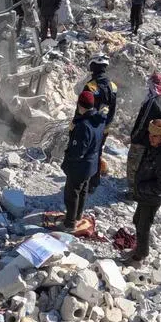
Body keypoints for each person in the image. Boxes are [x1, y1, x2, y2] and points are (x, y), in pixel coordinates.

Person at [128, 119, 161, 262]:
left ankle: (140, 255)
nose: (150, 138)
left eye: (154, 136)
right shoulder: (154, 145)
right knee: (137, 220)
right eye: (150, 134)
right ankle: (139, 248)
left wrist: (141, 188)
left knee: (143, 225)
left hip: (152, 196)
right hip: (145, 193)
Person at [61, 91, 106, 230]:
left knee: (72, 194)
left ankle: (69, 223)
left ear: (80, 105)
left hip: (79, 167)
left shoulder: (82, 126)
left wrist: (71, 132)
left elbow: (77, 152)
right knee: (83, 190)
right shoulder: (99, 120)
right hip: (91, 165)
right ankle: (78, 216)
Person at [126, 72, 161, 198]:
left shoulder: (153, 102)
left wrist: (134, 137)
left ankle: (133, 192)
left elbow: (142, 123)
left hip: (144, 140)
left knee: (134, 166)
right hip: (158, 141)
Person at [82, 54, 118, 192]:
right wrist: (106, 126)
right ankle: (94, 182)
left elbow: (83, 109)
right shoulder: (113, 86)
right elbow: (113, 109)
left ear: (94, 66)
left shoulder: (90, 86)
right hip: (104, 127)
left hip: (90, 127)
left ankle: (84, 182)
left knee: (86, 154)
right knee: (97, 153)